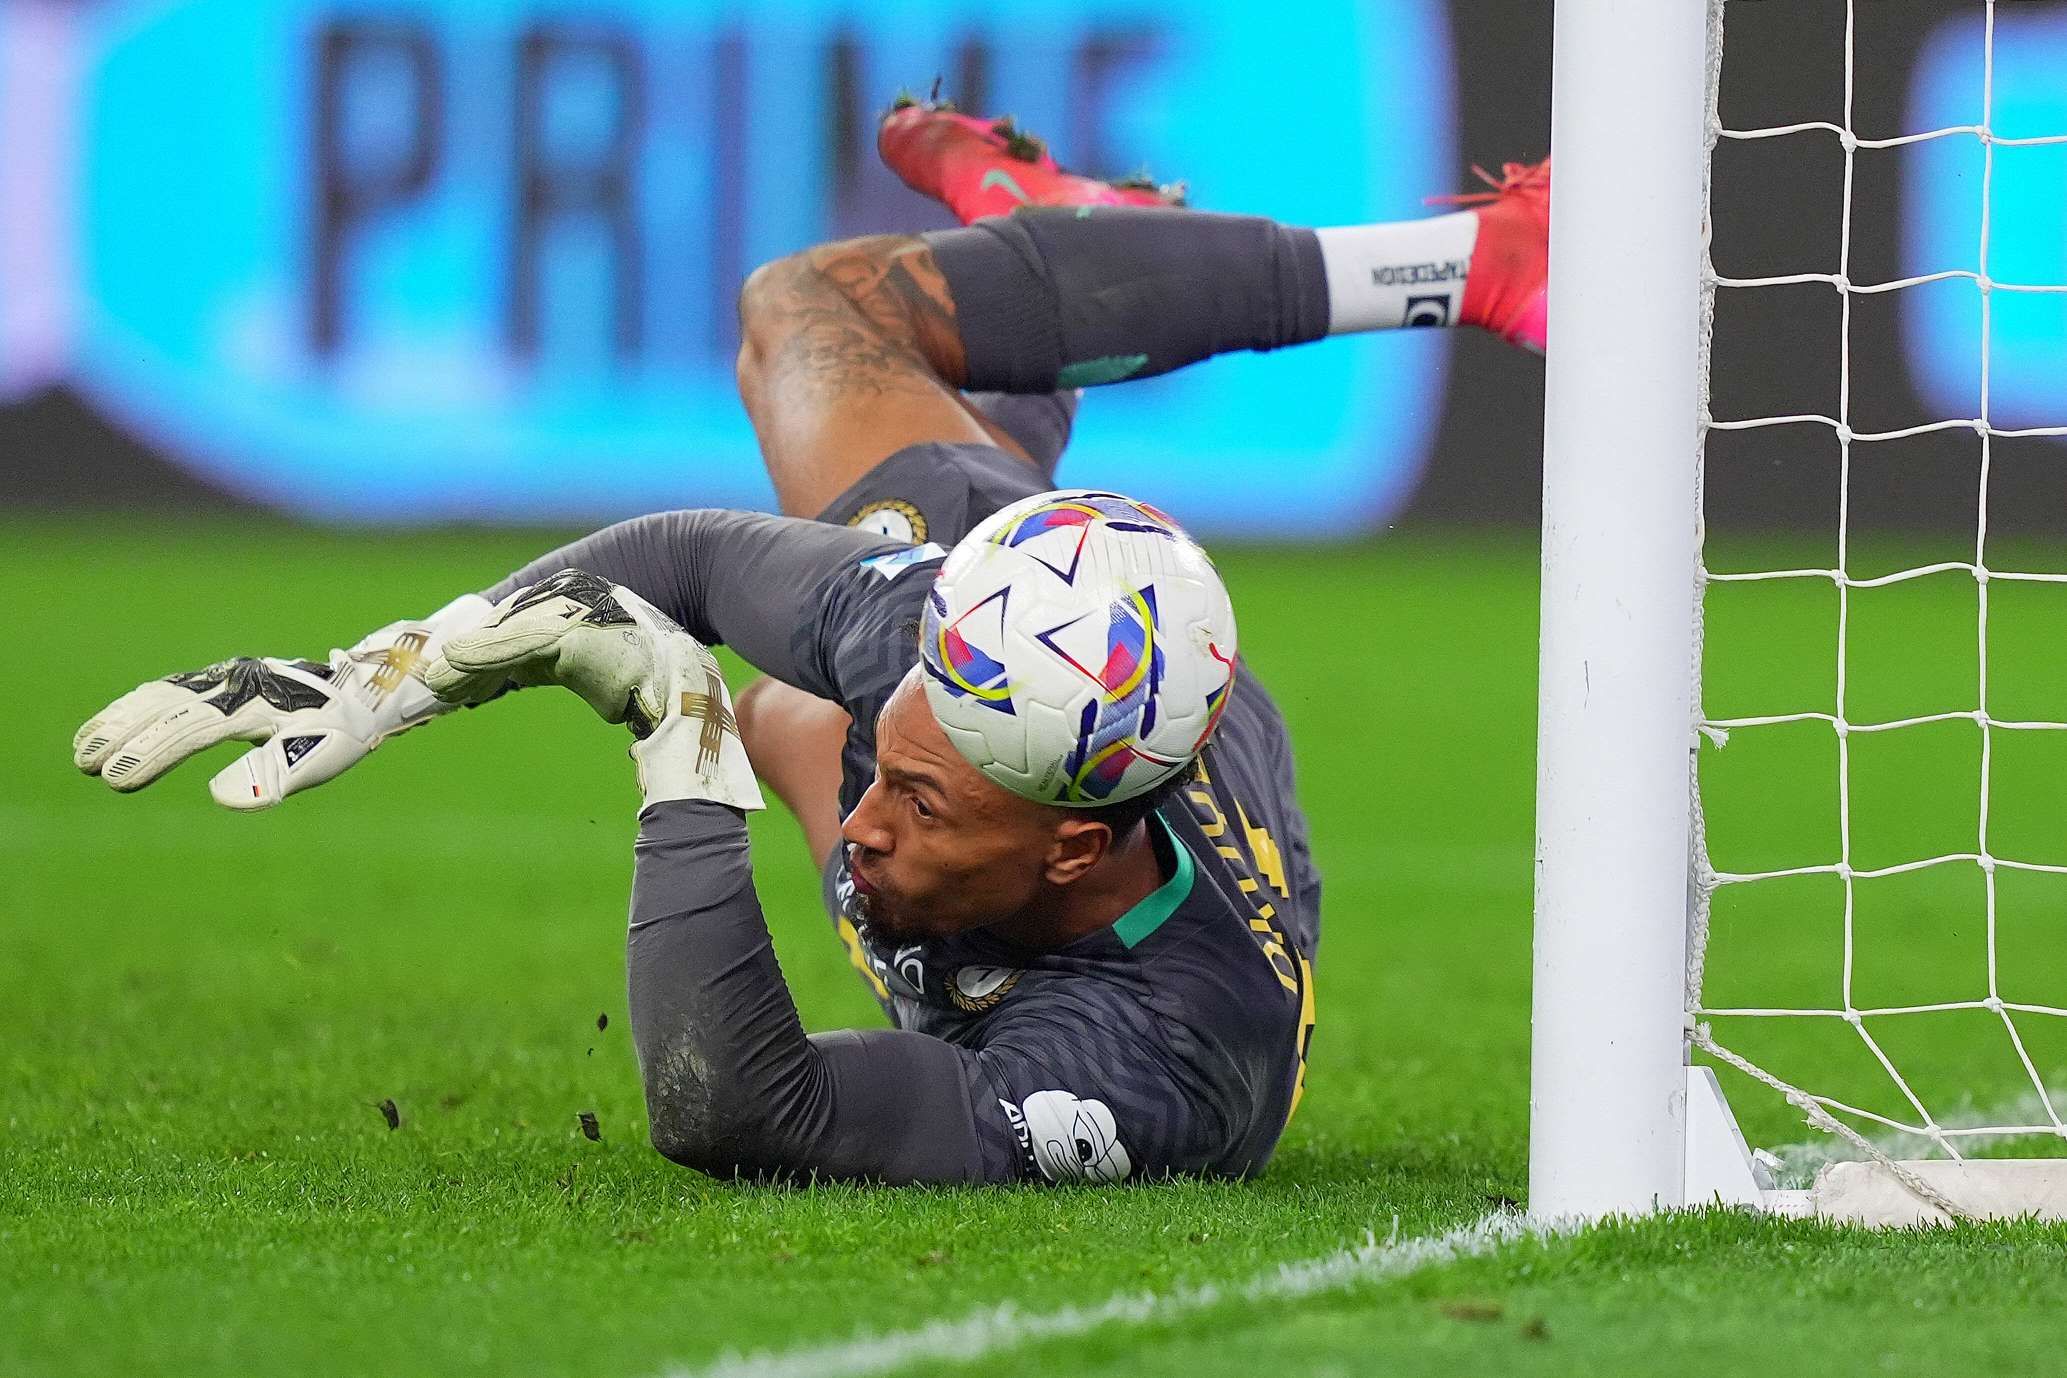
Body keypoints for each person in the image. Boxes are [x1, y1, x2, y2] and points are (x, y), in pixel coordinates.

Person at [72, 101, 1548, 1185]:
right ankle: (1413, 258)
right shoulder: (956, 656)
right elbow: (688, 555)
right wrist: (397, 667)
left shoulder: (1135, 1066)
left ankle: (1286, 254)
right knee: (814, 314)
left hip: (1152, 912)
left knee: (777, 716)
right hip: (1094, 662)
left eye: (919, 802)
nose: (866, 823)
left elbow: (741, 1113)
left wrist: (682, 759)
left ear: (1071, 855)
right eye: (894, 759)